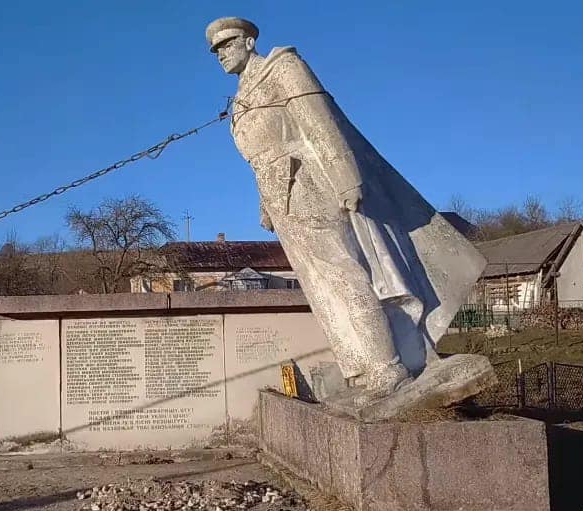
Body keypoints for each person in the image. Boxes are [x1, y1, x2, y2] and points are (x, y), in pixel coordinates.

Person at [206, 17, 485, 408]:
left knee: (346, 276)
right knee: (323, 289)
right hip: (283, 200)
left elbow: (320, 123)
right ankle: (362, 370)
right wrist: (265, 204)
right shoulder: (239, 101)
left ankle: (388, 367)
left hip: (311, 187)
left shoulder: (283, 67)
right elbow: (260, 157)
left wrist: (346, 177)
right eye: (216, 50)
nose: (221, 54)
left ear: (249, 41)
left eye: (228, 43)